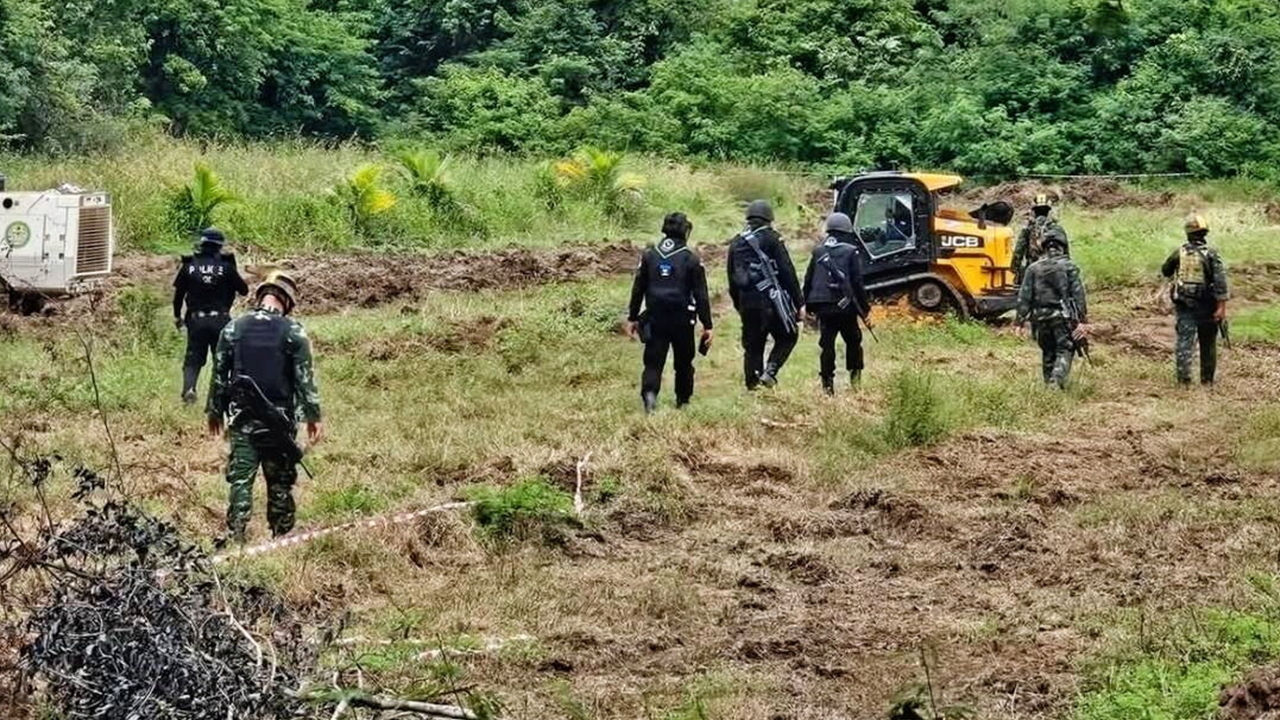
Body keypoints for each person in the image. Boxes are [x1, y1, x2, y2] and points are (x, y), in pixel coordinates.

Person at [207, 270, 323, 542]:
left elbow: (219, 374)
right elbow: (305, 379)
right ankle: (281, 536)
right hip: (279, 423)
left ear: (262, 296)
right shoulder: (293, 331)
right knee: (280, 483)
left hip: (242, 421)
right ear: (287, 301)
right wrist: (313, 416)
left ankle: (236, 533)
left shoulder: (234, 328)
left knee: (240, 479)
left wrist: (214, 410)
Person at [626, 213, 713, 413]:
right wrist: (707, 325)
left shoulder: (649, 255)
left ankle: (649, 398)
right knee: (683, 363)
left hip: (655, 317)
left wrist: (632, 317)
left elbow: (638, 288)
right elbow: (701, 295)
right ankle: (682, 401)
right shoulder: (691, 259)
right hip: (682, 319)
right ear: (685, 231)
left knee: (653, 362)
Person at [727, 200, 802, 389]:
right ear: (769, 218)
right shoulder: (772, 238)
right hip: (771, 300)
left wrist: (739, 304)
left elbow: (731, 276)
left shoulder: (736, 242)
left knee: (752, 346)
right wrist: (799, 302)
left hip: (747, 302)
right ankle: (770, 371)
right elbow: (787, 271)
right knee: (788, 335)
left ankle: (753, 387)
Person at [173, 227, 249, 404]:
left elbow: (178, 296)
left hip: (196, 320)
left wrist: (177, 317)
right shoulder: (226, 267)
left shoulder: (189, 266)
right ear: (219, 246)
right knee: (221, 358)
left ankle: (189, 389)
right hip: (220, 319)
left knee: (193, 356)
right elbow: (244, 290)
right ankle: (218, 395)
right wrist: (232, 269)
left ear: (202, 244)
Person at [802, 213, 871, 395]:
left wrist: (807, 306)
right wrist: (865, 310)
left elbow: (809, 280)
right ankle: (855, 382)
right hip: (845, 307)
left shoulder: (818, 251)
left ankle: (827, 386)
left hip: (823, 307)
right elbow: (857, 283)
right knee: (854, 341)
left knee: (827, 344)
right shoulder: (850, 251)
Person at [1015, 229, 1088, 389]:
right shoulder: (1069, 267)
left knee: (1047, 353)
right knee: (1065, 349)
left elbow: (1024, 296)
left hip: (1039, 319)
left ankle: (1049, 387)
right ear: (1063, 246)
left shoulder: (1033, 268)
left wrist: (1019, 323)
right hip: (1063, 318)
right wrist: (1082, 322)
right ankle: (1055, 384)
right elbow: (1078, 295)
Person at [1161, 214, 1229, 386]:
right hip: (1207, 306)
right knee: (1208, 344)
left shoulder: (1179, 252)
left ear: (1188, 234)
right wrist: (1221, 308)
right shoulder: (1211, 254)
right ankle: (1207, 381)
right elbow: (1220, 282)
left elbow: (1165, 270)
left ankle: (1183, 381)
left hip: (1185, 306)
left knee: (1184, 343)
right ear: (1204, 234)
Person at [1012, 194, 1068, 284]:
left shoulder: (1028, 229)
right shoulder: (1058, 229)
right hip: (1055, 272)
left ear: (1034, 211)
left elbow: (1018, 253)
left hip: (1033, 272)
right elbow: (1066, 253)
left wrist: (1015, 270)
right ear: (1049, 211)